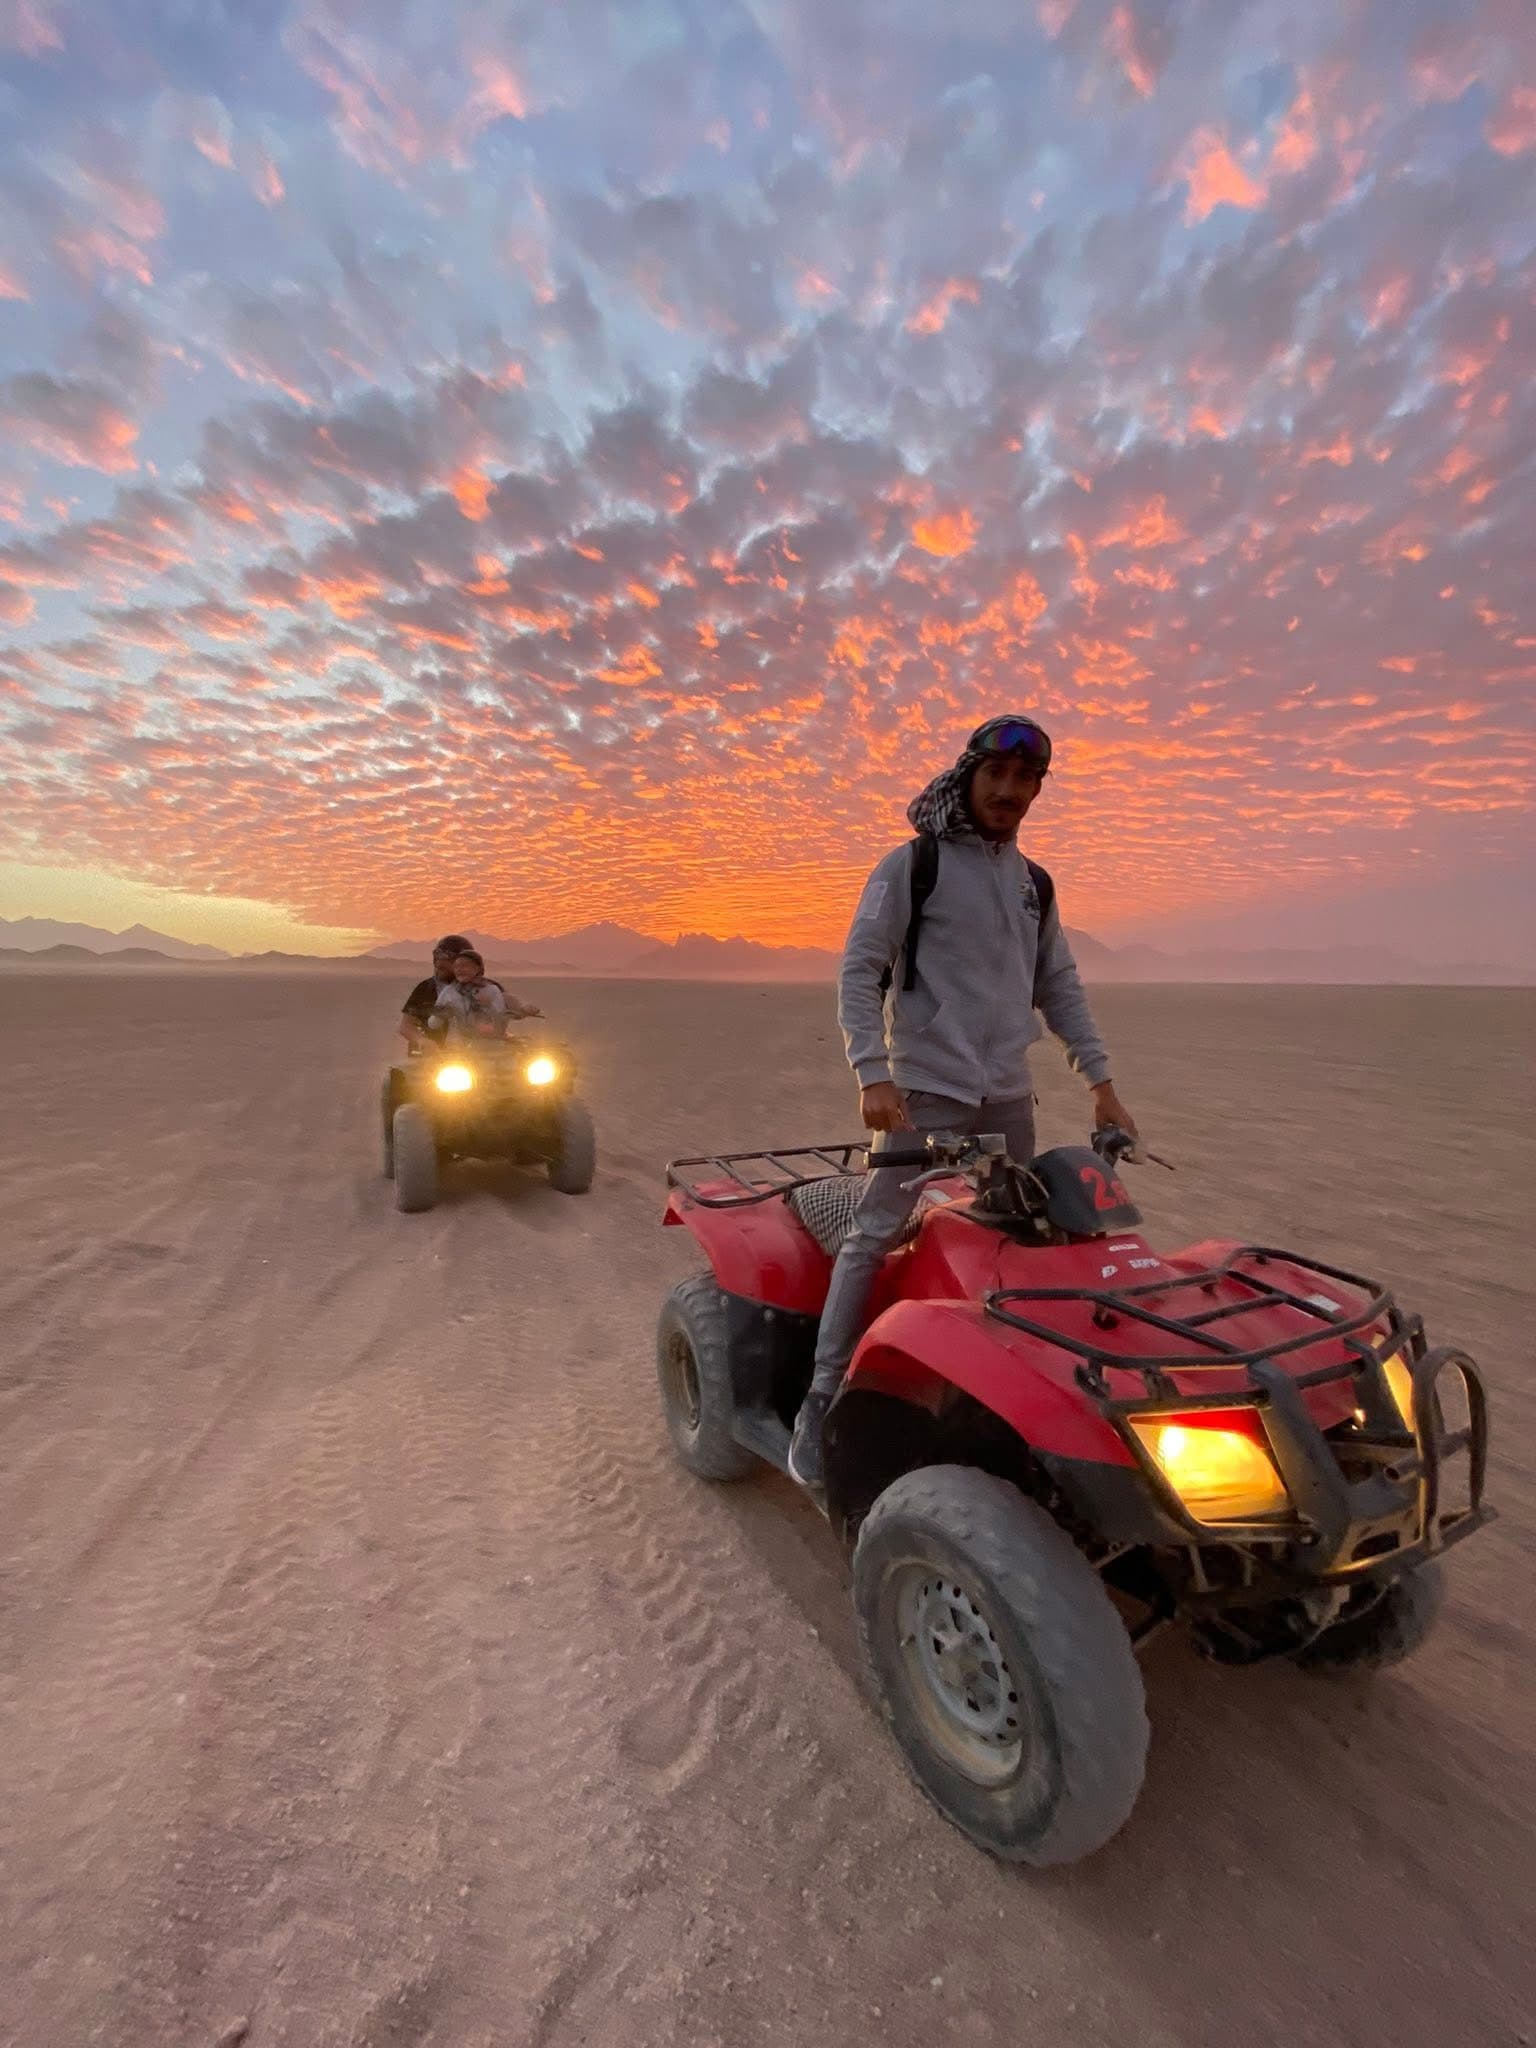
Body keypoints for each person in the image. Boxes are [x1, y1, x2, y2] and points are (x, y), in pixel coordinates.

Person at [787, 713, 1139, 1491]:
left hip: (1008, 1095)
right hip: (924, 1091)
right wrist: (872, 1074)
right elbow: (860, 971)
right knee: (876, 1231)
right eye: (998, 776)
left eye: (1026, 782)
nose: (1011, 792)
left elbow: (1060, 989)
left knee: (1025, 1235)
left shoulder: (1031, 884)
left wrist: (1102, 1084)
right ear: (970, 775)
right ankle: (822, 1396)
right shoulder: (913, 866)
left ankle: (1011, 1397)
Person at [430, 949, 543, 1043]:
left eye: (465, 966)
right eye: (456, 966)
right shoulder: (449, 992)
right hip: (462, 1046)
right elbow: (433, 1024)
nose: (460, 969)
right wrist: (441, 1014)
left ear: (478, 968)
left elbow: (501, 1019)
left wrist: (489, 1006)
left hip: (494, 1043)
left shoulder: (491, 989)